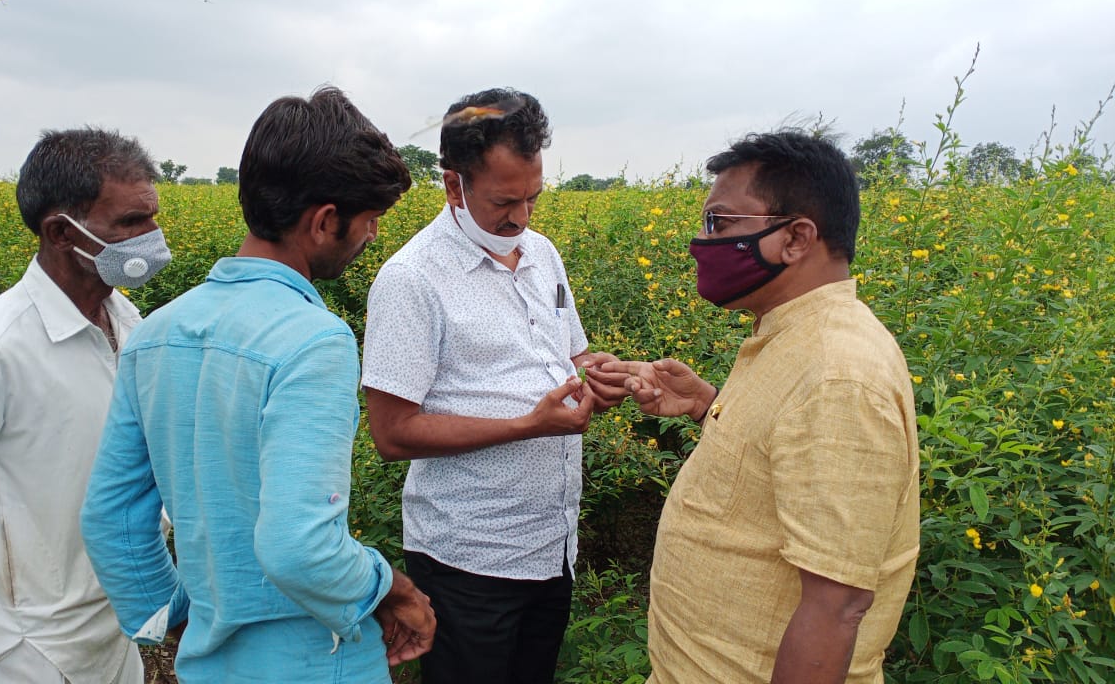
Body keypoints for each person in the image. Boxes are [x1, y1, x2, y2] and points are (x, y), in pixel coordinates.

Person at [79, 86, 435, 684]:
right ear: (325, 222)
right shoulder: (314, 340)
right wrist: (392, 589)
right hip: (316, 665)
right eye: (370, 221)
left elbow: (111, 519)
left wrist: (178, 624)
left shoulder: (156, 334)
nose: (372, 236)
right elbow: (300, 547)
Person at [600, 131, 920, 683]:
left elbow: (837, 605)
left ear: (796, 238)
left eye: (720, 224)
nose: (703, 242)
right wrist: (706, 405)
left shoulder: (837, 374)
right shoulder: (789, 338)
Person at [360, 87, 627, 684]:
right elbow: (392, 433)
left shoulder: (542, 254)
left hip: (552, 546)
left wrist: (602, 375)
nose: (523, 218)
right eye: (506, 201)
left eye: (533, 197)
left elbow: (571, 355)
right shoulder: (411, 280)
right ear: (453, 185)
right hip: (468, 558)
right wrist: (528, 425)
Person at [0, 128, 171, 683]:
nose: (152, 238)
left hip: (115, 641)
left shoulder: (130, 325)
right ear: (61, 233)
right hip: (25, 655)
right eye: (131, 224)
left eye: (152, 218)